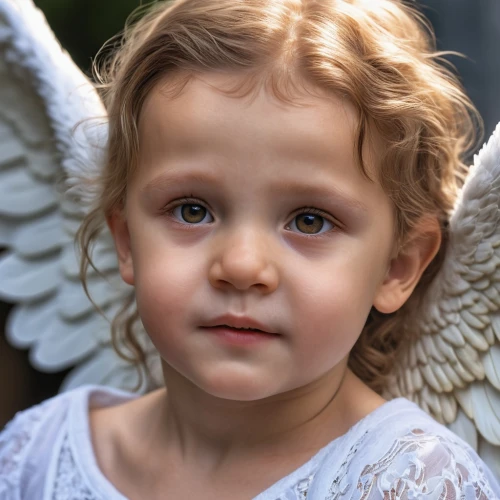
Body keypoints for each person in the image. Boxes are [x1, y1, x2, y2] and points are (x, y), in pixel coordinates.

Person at [1, 0, 499, 498]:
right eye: (191, 210)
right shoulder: (35, 456)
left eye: (310, 220)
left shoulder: (413, 482)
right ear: (126, 240)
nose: (241, 266)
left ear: (398, 266)